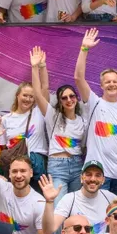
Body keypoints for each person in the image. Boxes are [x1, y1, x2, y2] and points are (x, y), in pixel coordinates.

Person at [75, 29, 117, 197]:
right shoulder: (94, 102)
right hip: (98, 175)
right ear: (101, 86)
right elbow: (79, 78)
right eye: (107, 82)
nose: (111, 84)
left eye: (114, 81)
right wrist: (84, 49)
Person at [30, 46, 87, 198]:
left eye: (72, 96)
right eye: (64, 97)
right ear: (60, 102)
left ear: (76, 98)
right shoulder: (53, 116)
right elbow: (40, 91)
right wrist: (37, 67)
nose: (69, 100)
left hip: (77, 165)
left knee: (75, 207)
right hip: (57, 166)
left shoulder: (83, 120)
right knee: (58, 207)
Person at [53, 161, 117, 234]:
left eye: (97, 175)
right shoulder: (70, 198)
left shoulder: (108, 196)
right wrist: (49, 202)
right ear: (81, 178)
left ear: (103, 180)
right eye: (88, 174)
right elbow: (51, 228)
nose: (93, 179)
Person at [1, 79, 47, 182]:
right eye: (25, 95)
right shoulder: (5, 119)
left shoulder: (39, 113)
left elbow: (45, 87)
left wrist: (37, 67)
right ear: (17, 95)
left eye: (31, 97)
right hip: (15, 169)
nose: (28, 99)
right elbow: (3, 146)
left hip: (36, 167)